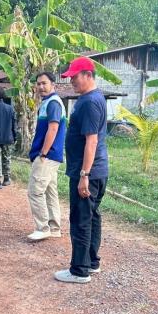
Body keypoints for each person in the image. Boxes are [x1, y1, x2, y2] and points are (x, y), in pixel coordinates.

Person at [54, 57, 108, 284]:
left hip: (87, 172)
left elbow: (91, 141)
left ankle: (79, 270)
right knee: (92, 216)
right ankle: (91, 262)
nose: (72, 82)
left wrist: (84, 175)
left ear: (88, 75)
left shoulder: (88, 102)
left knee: (81, 219)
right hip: (97, 170)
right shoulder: (96, 97)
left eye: (74, 77)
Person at [27, 71, 66, 241]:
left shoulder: (53, 103)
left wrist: (43, 153)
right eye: (38, 84)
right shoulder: (48, 102)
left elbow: (53, 128)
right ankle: (54, 228)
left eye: (44, 83)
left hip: (47, 155)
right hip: (52, 155)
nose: (41, 87)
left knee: (35, 191)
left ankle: (43, 228)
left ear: (53, 85)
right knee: (50, 191)